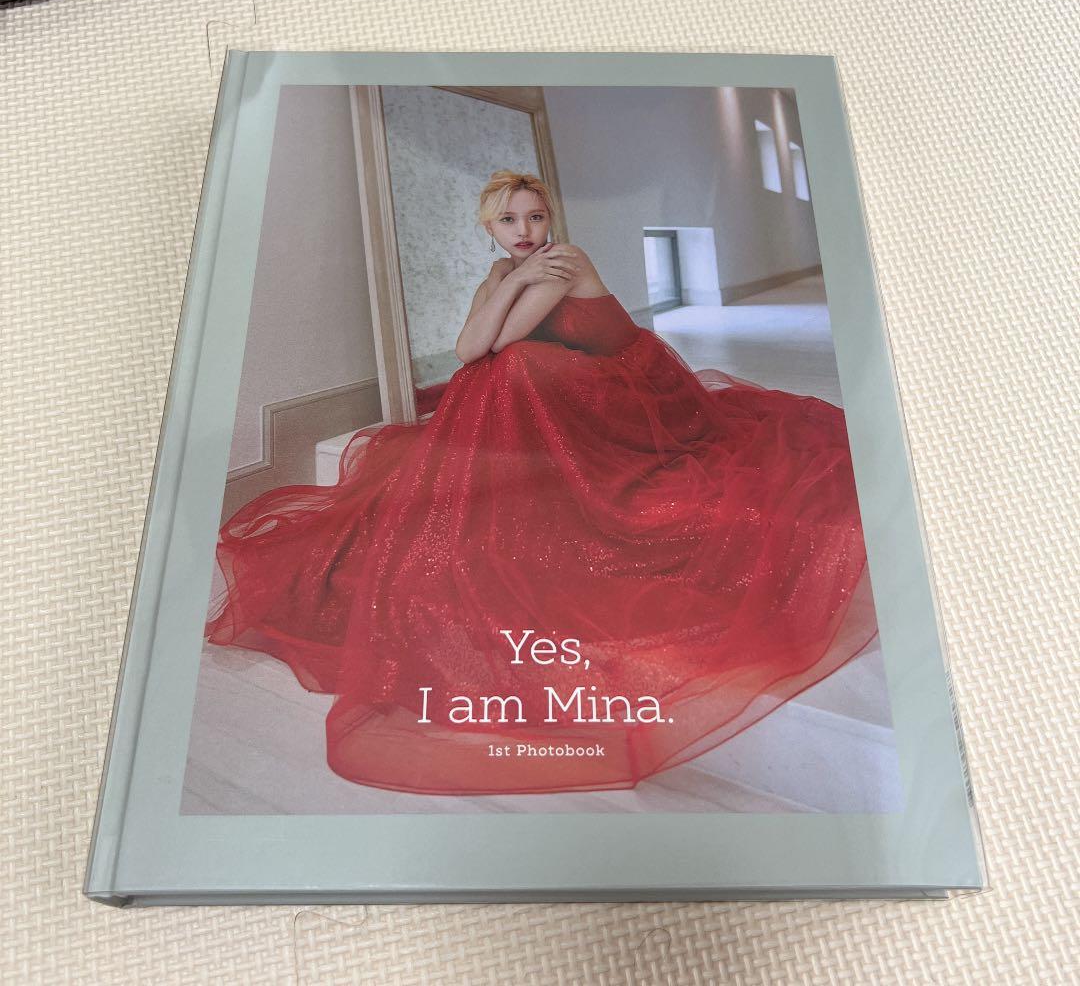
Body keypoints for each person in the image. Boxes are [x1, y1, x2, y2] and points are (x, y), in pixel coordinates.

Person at [204, 169, 876, 796]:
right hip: (576, 387)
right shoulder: (506, 270)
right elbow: (470, 346)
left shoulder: (564, 262)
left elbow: (486, 345)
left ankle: (518, 485)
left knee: (513, 366)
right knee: (497, 373)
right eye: (508, 221)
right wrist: (502, 282)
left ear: (550, 219)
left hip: (635, 393)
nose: (524, 231)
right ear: (488, 228)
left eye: (534, 216)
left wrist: (508, 286)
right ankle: (503, 487)